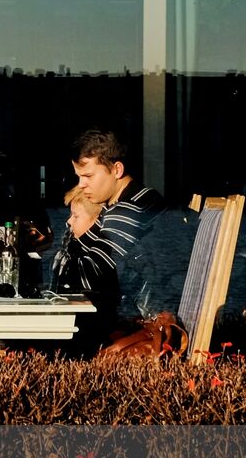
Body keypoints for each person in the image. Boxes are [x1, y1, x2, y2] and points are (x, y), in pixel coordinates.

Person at [59, 129, 166, 328]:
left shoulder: (131, 207)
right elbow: (83, 249)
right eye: (79, 177)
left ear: (117, 170)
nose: (81, 184)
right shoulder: (118, 205)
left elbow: (91, 276)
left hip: (145, 322)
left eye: (88, 176)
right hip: (137, 314)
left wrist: (64, 262)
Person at [50, 184, 103, 296]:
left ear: (97, 221)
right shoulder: (75, 250)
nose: (69, 221)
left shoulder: (94, 259)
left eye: (75, 216)